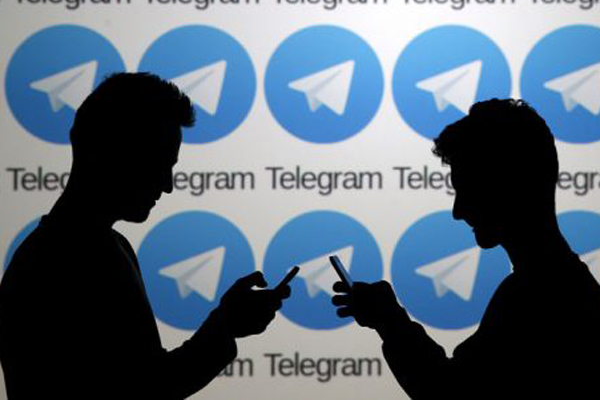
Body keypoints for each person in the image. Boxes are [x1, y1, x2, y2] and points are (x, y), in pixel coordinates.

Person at [0, 73, 290, 399]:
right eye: (157, 162)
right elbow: (147, 388)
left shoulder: (78, 249)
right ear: (105, 151)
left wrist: (224, 326)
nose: (167, 185)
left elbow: (143, 378)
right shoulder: (68, 259)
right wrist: (224, 327)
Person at [332, 99, 600, 398]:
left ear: (509, 187)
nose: (458, 211)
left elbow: (449, 393)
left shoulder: (540, 296)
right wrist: (390, 321)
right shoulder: (558, 286)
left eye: (469, 191)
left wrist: (391, 322)